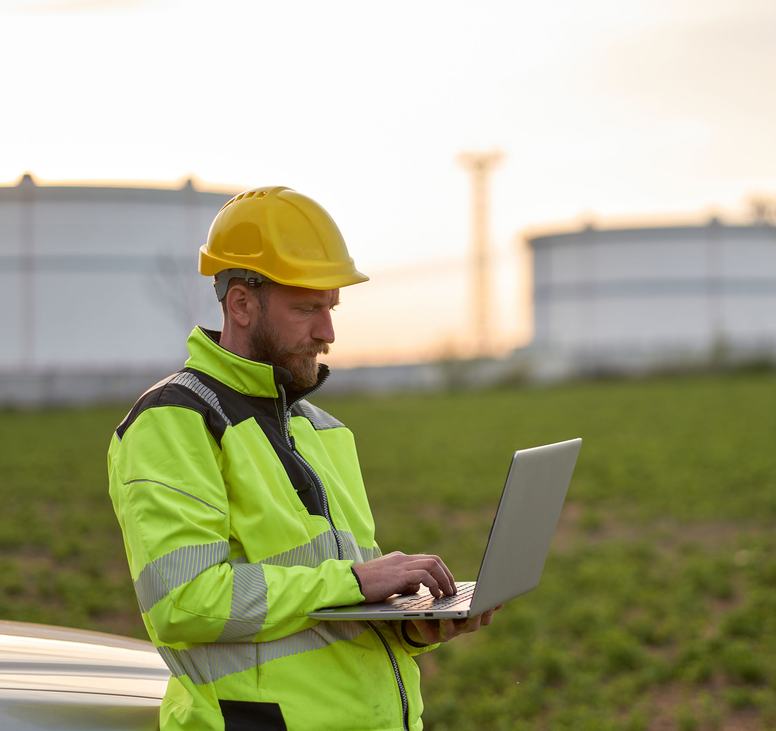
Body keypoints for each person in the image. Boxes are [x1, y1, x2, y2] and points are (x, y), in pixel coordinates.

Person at [108, 185, 500, 731]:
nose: (328, 332)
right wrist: (359, 582)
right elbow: (186, 601)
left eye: (331, 308)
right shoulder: (174, 421)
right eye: (307, 309)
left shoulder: (322, 429)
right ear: (241, 303)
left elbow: (330, 610)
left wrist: (411, 627)